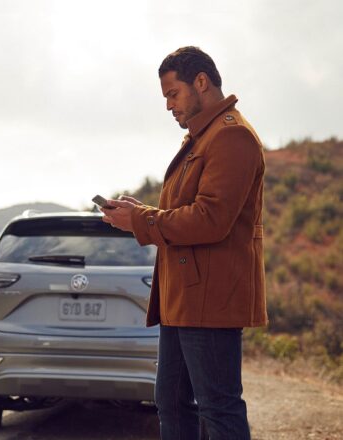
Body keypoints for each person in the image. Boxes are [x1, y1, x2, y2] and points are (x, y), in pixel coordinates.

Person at [101, 46, 267, 439]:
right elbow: (185, 210)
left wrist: (140, 219)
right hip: (184, 298)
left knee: (219, 408)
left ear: (201, 82)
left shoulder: (232, 136)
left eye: (173, 94)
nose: (169, 106)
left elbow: (210, 220)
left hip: (210, 300)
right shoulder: (202, 138)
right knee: (172, 403)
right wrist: (138, 210)